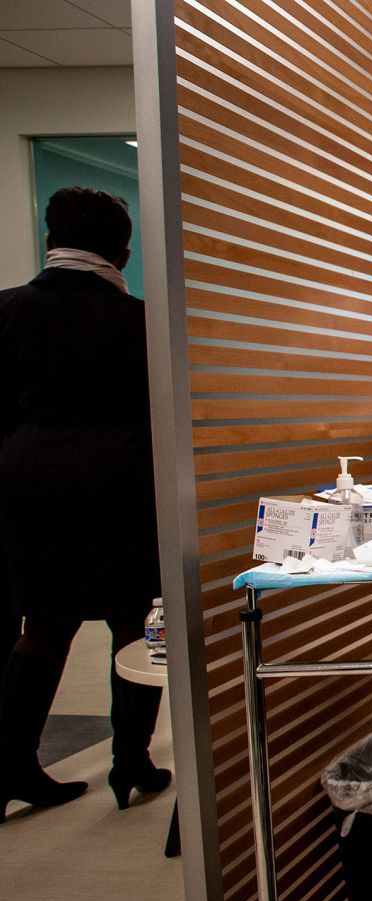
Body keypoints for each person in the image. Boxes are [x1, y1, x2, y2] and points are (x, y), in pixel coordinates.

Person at [0, 186, 169, 822]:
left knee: (41, 630)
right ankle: (132, 763)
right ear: (123, 254)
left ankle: (13, 763)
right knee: (135, 626)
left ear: (50, 242)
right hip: (122, 489)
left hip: (28, 487)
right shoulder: (144, 325)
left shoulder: (6, 313)